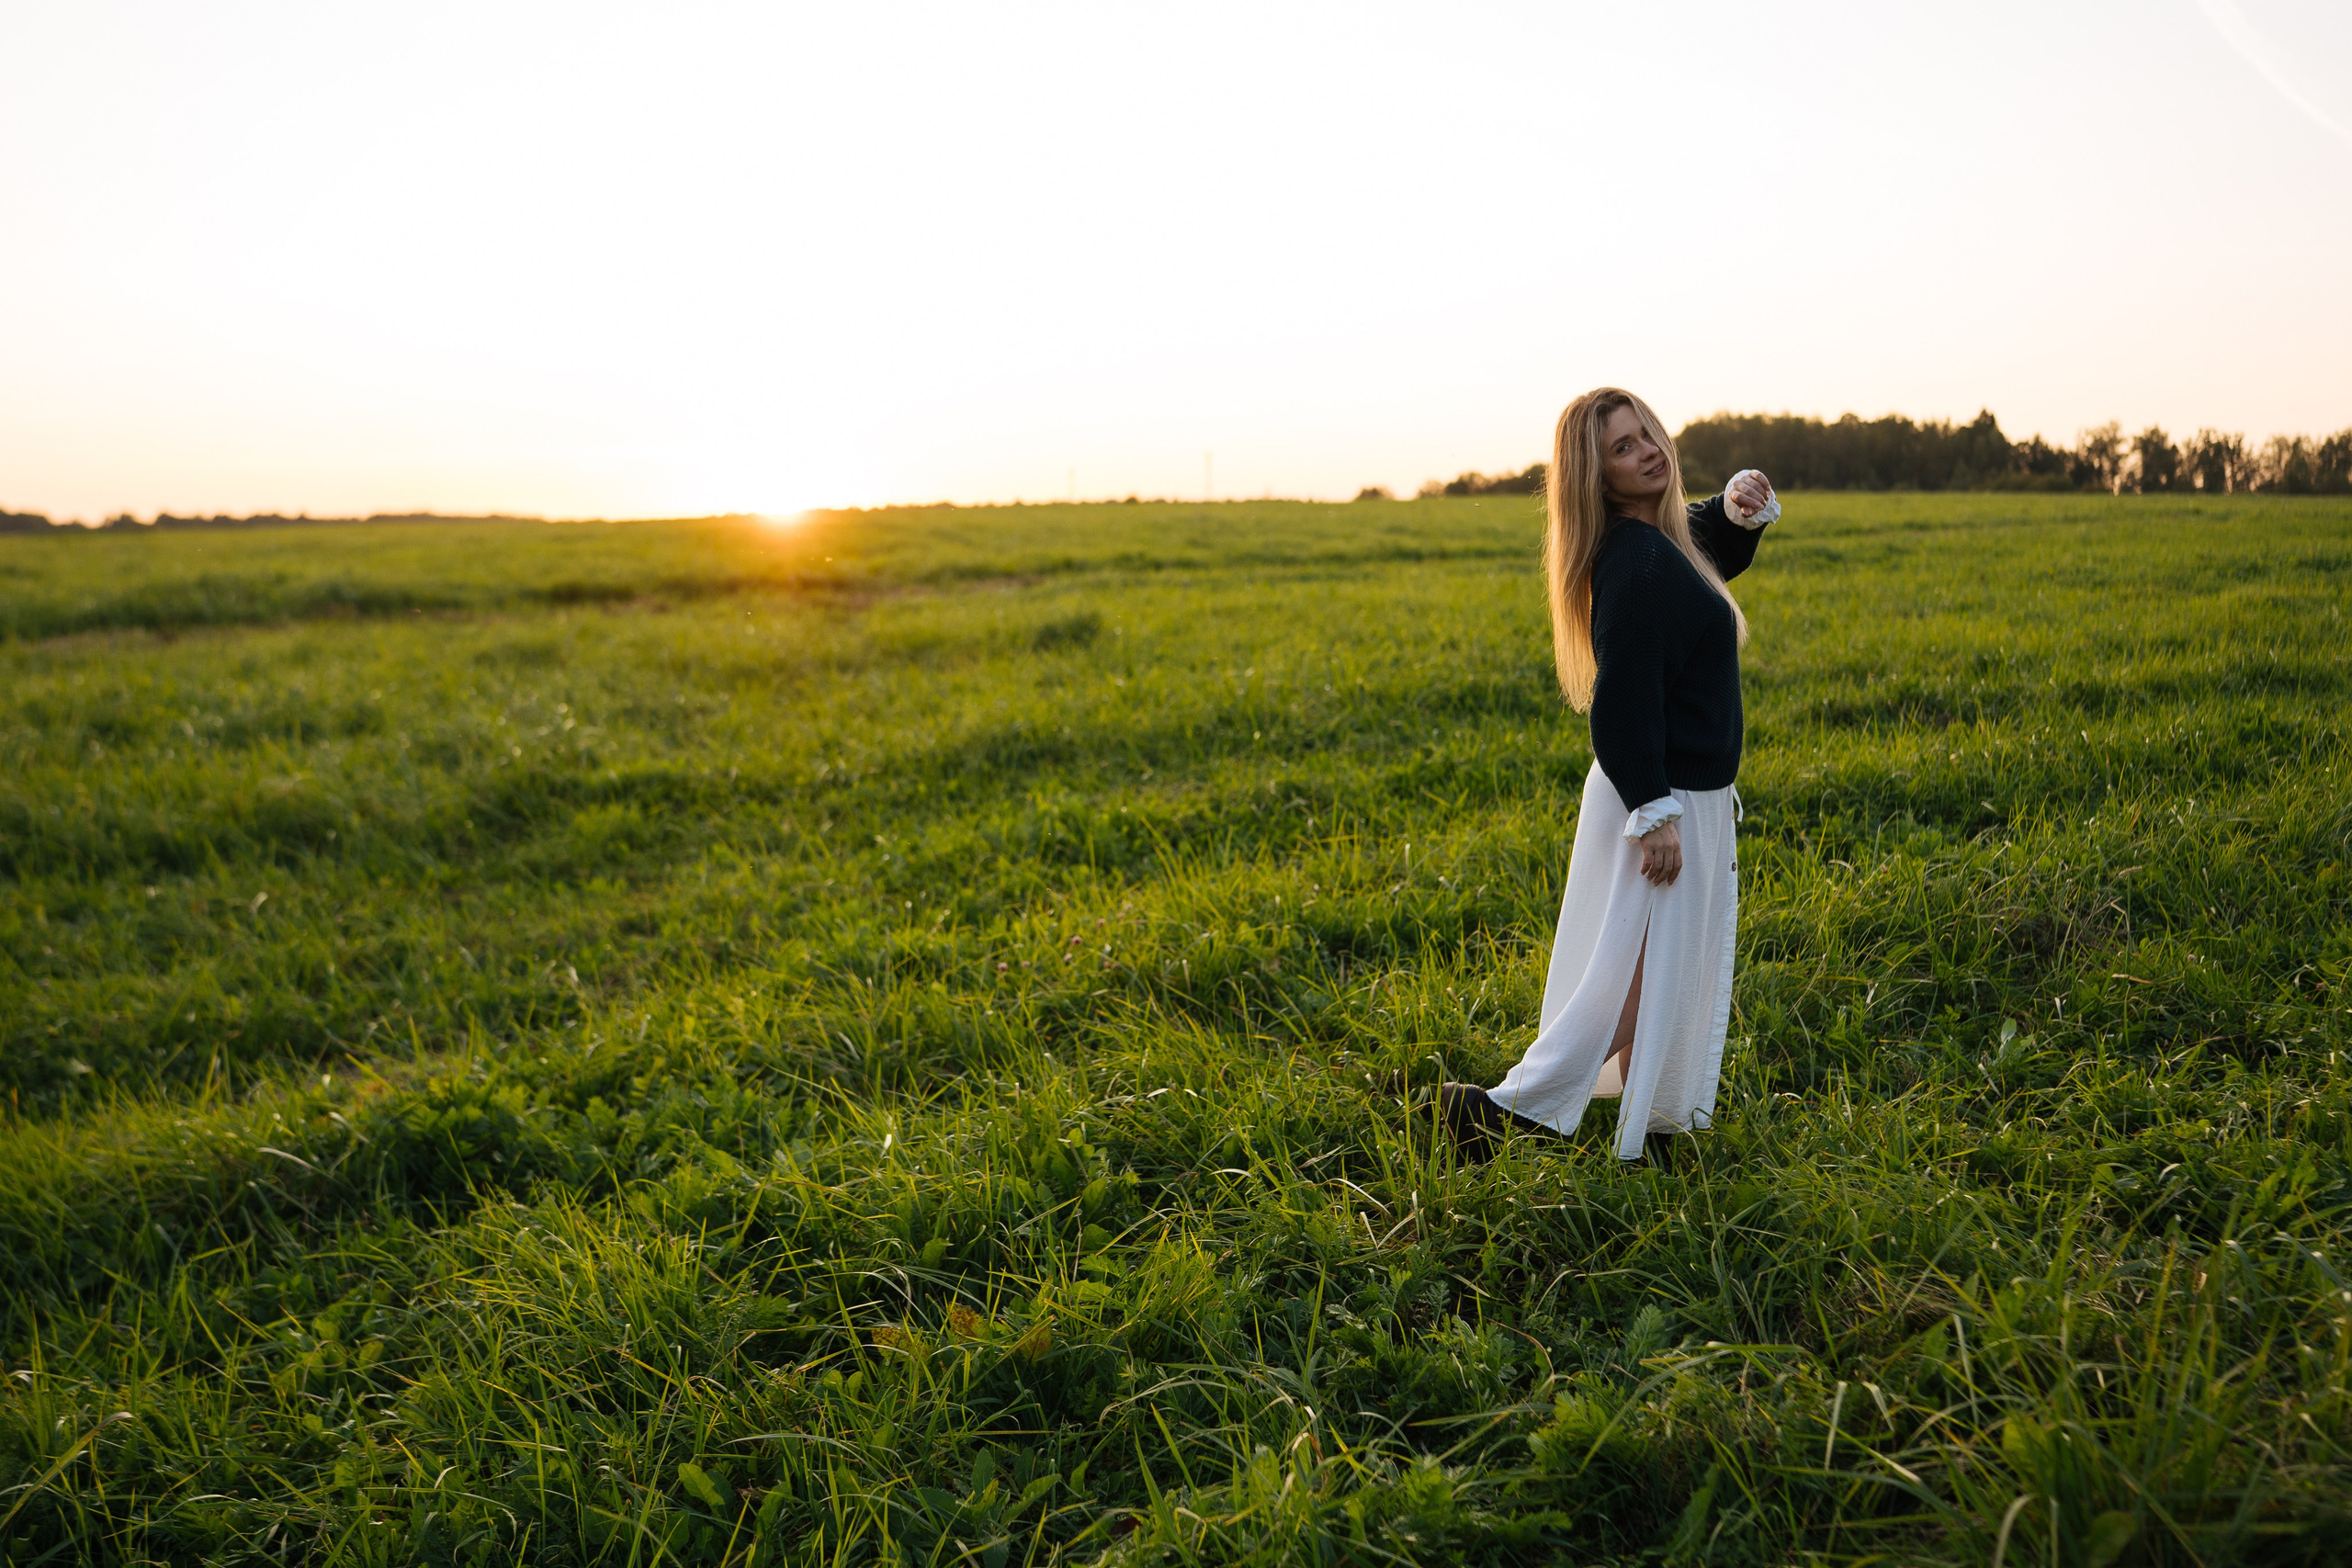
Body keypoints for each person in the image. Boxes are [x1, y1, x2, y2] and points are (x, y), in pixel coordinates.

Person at [1439, 387, 1777, 1166]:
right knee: (1635, 969)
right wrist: (1655, 811)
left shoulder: (1660, 542)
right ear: (1596, 478)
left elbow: (1699, 555)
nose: (1648, 450)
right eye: (1622, 448)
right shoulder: (1636, 560)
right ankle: (1507, 1110)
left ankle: (1641, 1119)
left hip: (1673, 792)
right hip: (1661, 794)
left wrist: (1731, 510)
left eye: (1646, 433)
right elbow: (1620, 702)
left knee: (1646, 966)